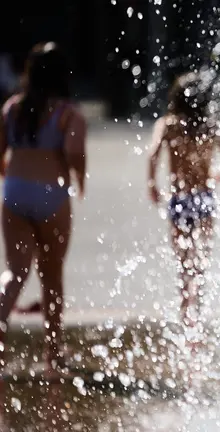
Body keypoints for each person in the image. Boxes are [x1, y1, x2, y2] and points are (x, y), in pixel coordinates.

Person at [0, 42, 87, 380]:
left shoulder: (12, 109)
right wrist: (79, 176)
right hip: (52, 194)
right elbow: (74, 150)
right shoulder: (69, 113)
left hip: (15, 193)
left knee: (15, 272)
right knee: (51, 275)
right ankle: (53, 353)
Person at [148, 72, 220, 330]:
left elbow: (153, 155)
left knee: (183, 261)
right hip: (204, 198)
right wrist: (217, 176)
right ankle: (197, 311)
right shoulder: (212, 126)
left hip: (180, 199)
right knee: (201, 261)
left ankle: (185, 310)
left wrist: (152, 184)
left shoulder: (168, 124)